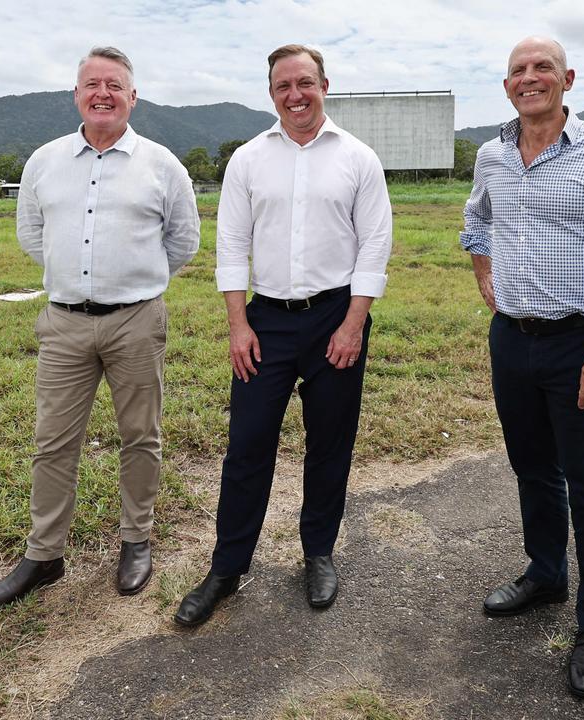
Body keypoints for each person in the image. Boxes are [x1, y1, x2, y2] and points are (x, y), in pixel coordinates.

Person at [460, 36, 584, 698]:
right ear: (506, 85)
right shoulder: (493, 154)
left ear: (567, 79)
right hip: (511, 340)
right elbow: (476, 221)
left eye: (542, 67)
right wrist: (486, 272)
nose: (529, 77)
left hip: (582, 342)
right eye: (518, 70)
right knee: (533, 469)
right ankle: (545, 574)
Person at [173, 44, 393, 627]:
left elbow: (374, 244)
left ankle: (318, 552)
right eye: (282, 87)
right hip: (265, 318)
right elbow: (232, 245)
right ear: (270, 94)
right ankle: (227, 567)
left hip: (336, 318)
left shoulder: (358, 158)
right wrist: (238, 323)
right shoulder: (247, 159)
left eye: (304, 83)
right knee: (247, 443)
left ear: (325, 85)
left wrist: (353, 324)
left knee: (330, 440)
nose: (295, 95)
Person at [0, 46, 200, 609]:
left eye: (114, 85)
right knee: (53, 442)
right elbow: (33, 233)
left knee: (140, 435)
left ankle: (136, 540)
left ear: (133, 96)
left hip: (136, 322)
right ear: (76, 95)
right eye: (92, 84)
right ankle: (44, 554)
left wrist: (135, 279)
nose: (103, 93)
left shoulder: (161, 164)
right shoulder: (44, 162)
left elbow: (183, 241)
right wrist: (79, 280)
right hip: (64, 324)